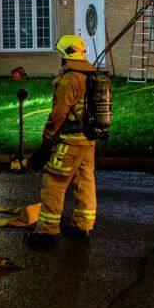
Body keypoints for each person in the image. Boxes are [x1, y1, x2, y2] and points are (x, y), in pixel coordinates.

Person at [25, 34, 97, 248]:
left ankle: (47, 232)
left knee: (54, 182)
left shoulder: (69, 80)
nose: (60, 58)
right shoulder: (92, 77)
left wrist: (47, 140)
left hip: (69, 141)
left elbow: (58, 114)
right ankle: (82, 225)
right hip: (88, 140)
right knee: (85, 181)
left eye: (61, 54)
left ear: (66, 56)